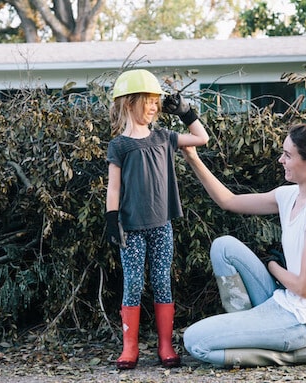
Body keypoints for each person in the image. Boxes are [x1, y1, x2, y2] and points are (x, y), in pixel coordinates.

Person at [181, 123, 306, 367]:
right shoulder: (289, 196)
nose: (281, 160)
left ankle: (290, 354)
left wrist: (272, 266)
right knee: (223, 247)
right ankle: (246, 330)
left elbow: (304, 288)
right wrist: (192, 157)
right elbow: (228, 201)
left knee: (196, 342)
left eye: (288, 155)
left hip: (301, 321)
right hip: (283, 300)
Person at [105, 69, 209, 369]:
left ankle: (165, 345)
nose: (154, 107)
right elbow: (114, 187)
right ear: (128, 103)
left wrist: (186, 112)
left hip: (161, 224)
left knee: (163, 281)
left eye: (156, 102)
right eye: (148, 101)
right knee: (133, 284)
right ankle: (130, 348)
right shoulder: (119, 146)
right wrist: (112, 219)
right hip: (132, 228)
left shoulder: (164, 137)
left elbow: (201, 138)